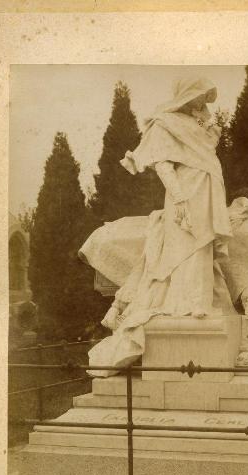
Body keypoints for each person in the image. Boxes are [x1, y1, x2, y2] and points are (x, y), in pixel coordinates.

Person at [87, 77, 236, 376]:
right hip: (186, 191)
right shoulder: (165, 123)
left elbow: (205, 150)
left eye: (206, 98)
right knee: (185, 247)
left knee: (203, 245)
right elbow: (163, 164)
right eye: (200, 96)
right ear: (187, 94)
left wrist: (209, 128)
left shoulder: (198, 124)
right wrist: (179, 198)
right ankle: (186, 305)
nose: (204, 103)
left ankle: (198, 302)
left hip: (207, 189)